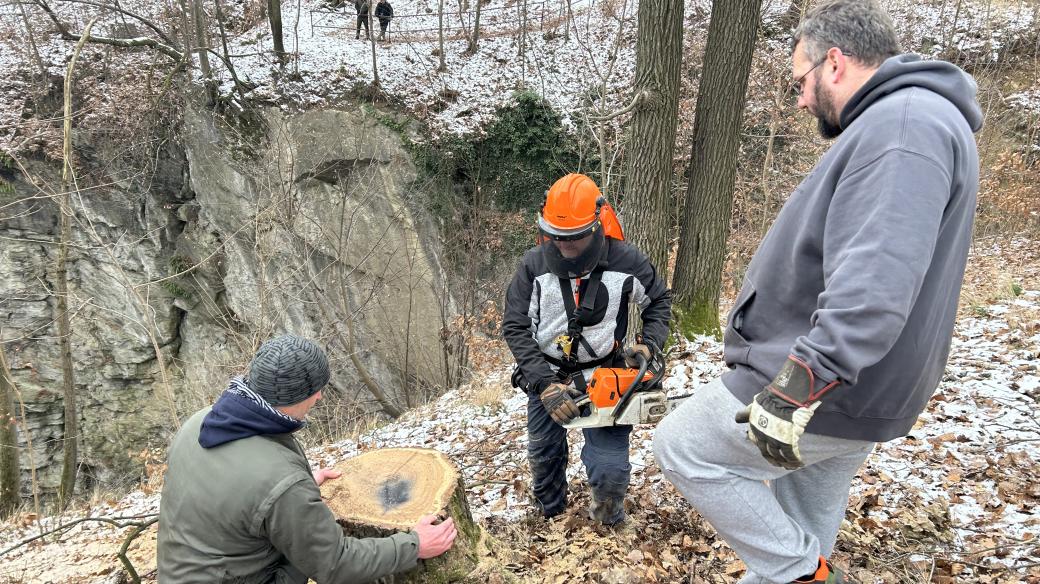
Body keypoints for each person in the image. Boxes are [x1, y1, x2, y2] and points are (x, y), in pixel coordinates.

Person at [652, 1, 982, 583]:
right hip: (859, 384)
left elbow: (877, 278)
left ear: (835, 62)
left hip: (822, 382)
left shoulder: (903, 128)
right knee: (803, 519)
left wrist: (797, 386)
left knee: (683, 448)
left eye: (800, 80)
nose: (801, 98)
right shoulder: (912, 122)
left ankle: (805, 573)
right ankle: (804, 568)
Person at [157, 334, 457, 583]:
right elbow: (334, 564)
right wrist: (413, 545)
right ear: (299, 395)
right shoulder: (278, 481)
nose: (320, 397)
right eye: (316, 390)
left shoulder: (199, 423)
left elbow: (225, 489)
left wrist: (286, 499)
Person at [502, 173, 672, 525]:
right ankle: (550, 515)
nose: (564, 246)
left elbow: (658, 301)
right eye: (557, 237)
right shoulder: (533, 266)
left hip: (605, 372)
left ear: (596, 226)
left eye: (574, 239)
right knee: (543, 456)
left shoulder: (627, 262)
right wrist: (542, 383)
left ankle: (607, 523)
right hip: (548, 374)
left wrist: (649, 343)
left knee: (610, 467)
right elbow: (516, 326)